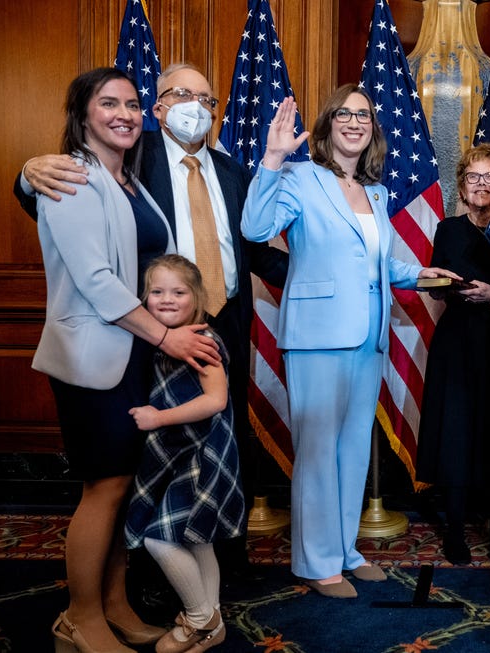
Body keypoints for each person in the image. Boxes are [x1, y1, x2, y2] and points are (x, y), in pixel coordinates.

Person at [15, 64, 289, 577]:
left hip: (223, 320)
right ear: (157, 109)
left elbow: (251, 247)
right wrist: (28, 172)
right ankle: (152, 575)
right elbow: (67, 197)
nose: (195, 105)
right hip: (149, 328)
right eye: (181, 93)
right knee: (155, 451)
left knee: (220, 441)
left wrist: (316, 275)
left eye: (206, 98)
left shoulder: (232, 170)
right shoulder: (133, 156)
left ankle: (224, 566)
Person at [241, 85, 459, 599]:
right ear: (327, 124)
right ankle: (316, 563)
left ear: (373, 129)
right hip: (317, 336)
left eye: (364, 115)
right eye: (345, 113)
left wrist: (419, 273)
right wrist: (272, 159)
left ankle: (344, 550)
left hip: (369, 336)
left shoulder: (375, 191)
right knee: (317, 451)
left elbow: (376, 262)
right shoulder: (299, 178)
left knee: (353, 450)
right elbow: (254, 227)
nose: (355, 122)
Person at [35, 67, 220, 653]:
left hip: (135, 355)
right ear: (82, 114)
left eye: (133, 104)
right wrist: (168, 340)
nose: (124, 113)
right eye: (108, 103)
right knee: (104, 486)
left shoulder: (132, 182)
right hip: (95, 357)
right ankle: (79, 616)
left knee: (125, 486)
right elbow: (95, 280)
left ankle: (113, 604)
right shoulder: (71, 177)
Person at [415, 143, 490, 566]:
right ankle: (456, 531)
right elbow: (439, 275)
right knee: (455, 436)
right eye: (473, 178)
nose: (481, 186)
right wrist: (461, 289)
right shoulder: (448, 229)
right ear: (461, 186)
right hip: (458, 343)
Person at [124, 255, 244, 652]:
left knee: (160, 540)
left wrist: (160, 418)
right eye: (156, 292)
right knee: (198, 539)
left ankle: (197, 617)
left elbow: (216, 399)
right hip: (178, 453)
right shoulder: (157, 337)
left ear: (196, 297)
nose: (167, 299)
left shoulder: (203, 340)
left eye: (178, 292)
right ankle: (213, 626)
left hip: (204, 453)